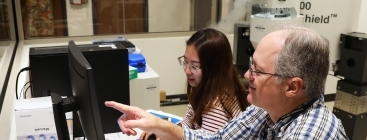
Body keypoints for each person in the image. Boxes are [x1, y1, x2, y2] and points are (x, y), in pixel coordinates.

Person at [106, 25, 348, 139]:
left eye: (257, 71)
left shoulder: (311, 134)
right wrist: (156, 124)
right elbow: (218, 139)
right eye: (250, 65)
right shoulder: (263, 111)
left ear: (292, 87)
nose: (246, 75)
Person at [139, 28, 250, 140]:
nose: (187, 71)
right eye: (186, 62)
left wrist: (166, 133)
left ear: (214, 68)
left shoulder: (216, 106)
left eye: (195, 66)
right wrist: (166, 131)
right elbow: (189, 119)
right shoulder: (207, 86)